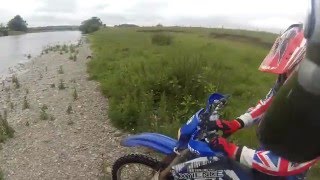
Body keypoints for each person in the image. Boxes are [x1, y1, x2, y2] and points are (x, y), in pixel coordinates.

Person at [209, 23, 318, 179]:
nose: (285, 75)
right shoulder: (287, 78)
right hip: (272, 144)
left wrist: (234, 150)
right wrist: (237, 123)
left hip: (289, 166)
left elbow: (285, 165)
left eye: (290, 69)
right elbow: (267, 104)